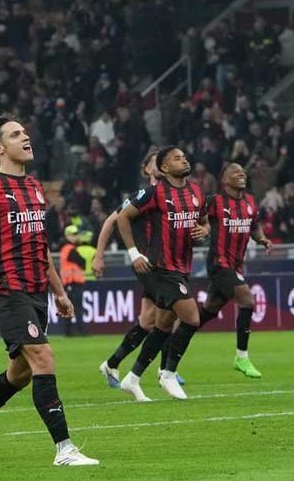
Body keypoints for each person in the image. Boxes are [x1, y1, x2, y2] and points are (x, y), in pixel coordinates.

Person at [0, 117, 97, 466]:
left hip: (37, 290)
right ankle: (64, 448)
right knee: (44, 358)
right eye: (15, 135)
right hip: (7, 289)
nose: (25, 137)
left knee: (20, 373)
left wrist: (59, 293)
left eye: (25, 133)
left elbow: (40, 248)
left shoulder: (36, 187)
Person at [111, 146, 210, 401]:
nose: (183, 159)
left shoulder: (197, 191)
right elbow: (122, 217)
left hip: (182, 266)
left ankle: (132, 378)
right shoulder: (154, 192)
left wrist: (205, 230)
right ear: (164, 168)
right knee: (191, 318)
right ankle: (168, 373)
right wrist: (134, 253)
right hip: (160, 268)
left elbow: (204, 220)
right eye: (176, 158)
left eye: (184, 156)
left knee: (163, 326)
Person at [96, 151, 186, 394]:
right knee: (174, 313)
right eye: (154, 161)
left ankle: (112, 363)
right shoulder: (141, 196)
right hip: (147, 264)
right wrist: (99, 255)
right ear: (148, 170)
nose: (159, 163)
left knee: (148, 321)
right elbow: (111, 222)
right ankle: (166, 370)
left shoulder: (173, 196)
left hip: (164, 265)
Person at [196, 163, 273, 379]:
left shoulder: (249, 201)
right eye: (235, 172)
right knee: (247, 300)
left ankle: (174, 339)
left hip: (236, 264)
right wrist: (203, 228)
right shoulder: (214, 201)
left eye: (243, 172)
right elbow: (199, 219)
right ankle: (241, 357)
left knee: (206, 312)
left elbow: (254, 225)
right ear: (225, 180)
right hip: (219, 263)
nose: (242, 174)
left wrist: (261, 238)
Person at [59, 225, 87, 337]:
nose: (76, 237)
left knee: (71, 308)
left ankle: (70, 332)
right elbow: (82, 262)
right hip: (72, 282)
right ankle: (80, 331)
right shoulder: (69, 249)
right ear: (68, 236)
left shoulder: (67, 248)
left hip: (71, 283)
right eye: (73, 234)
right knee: (76, 308)